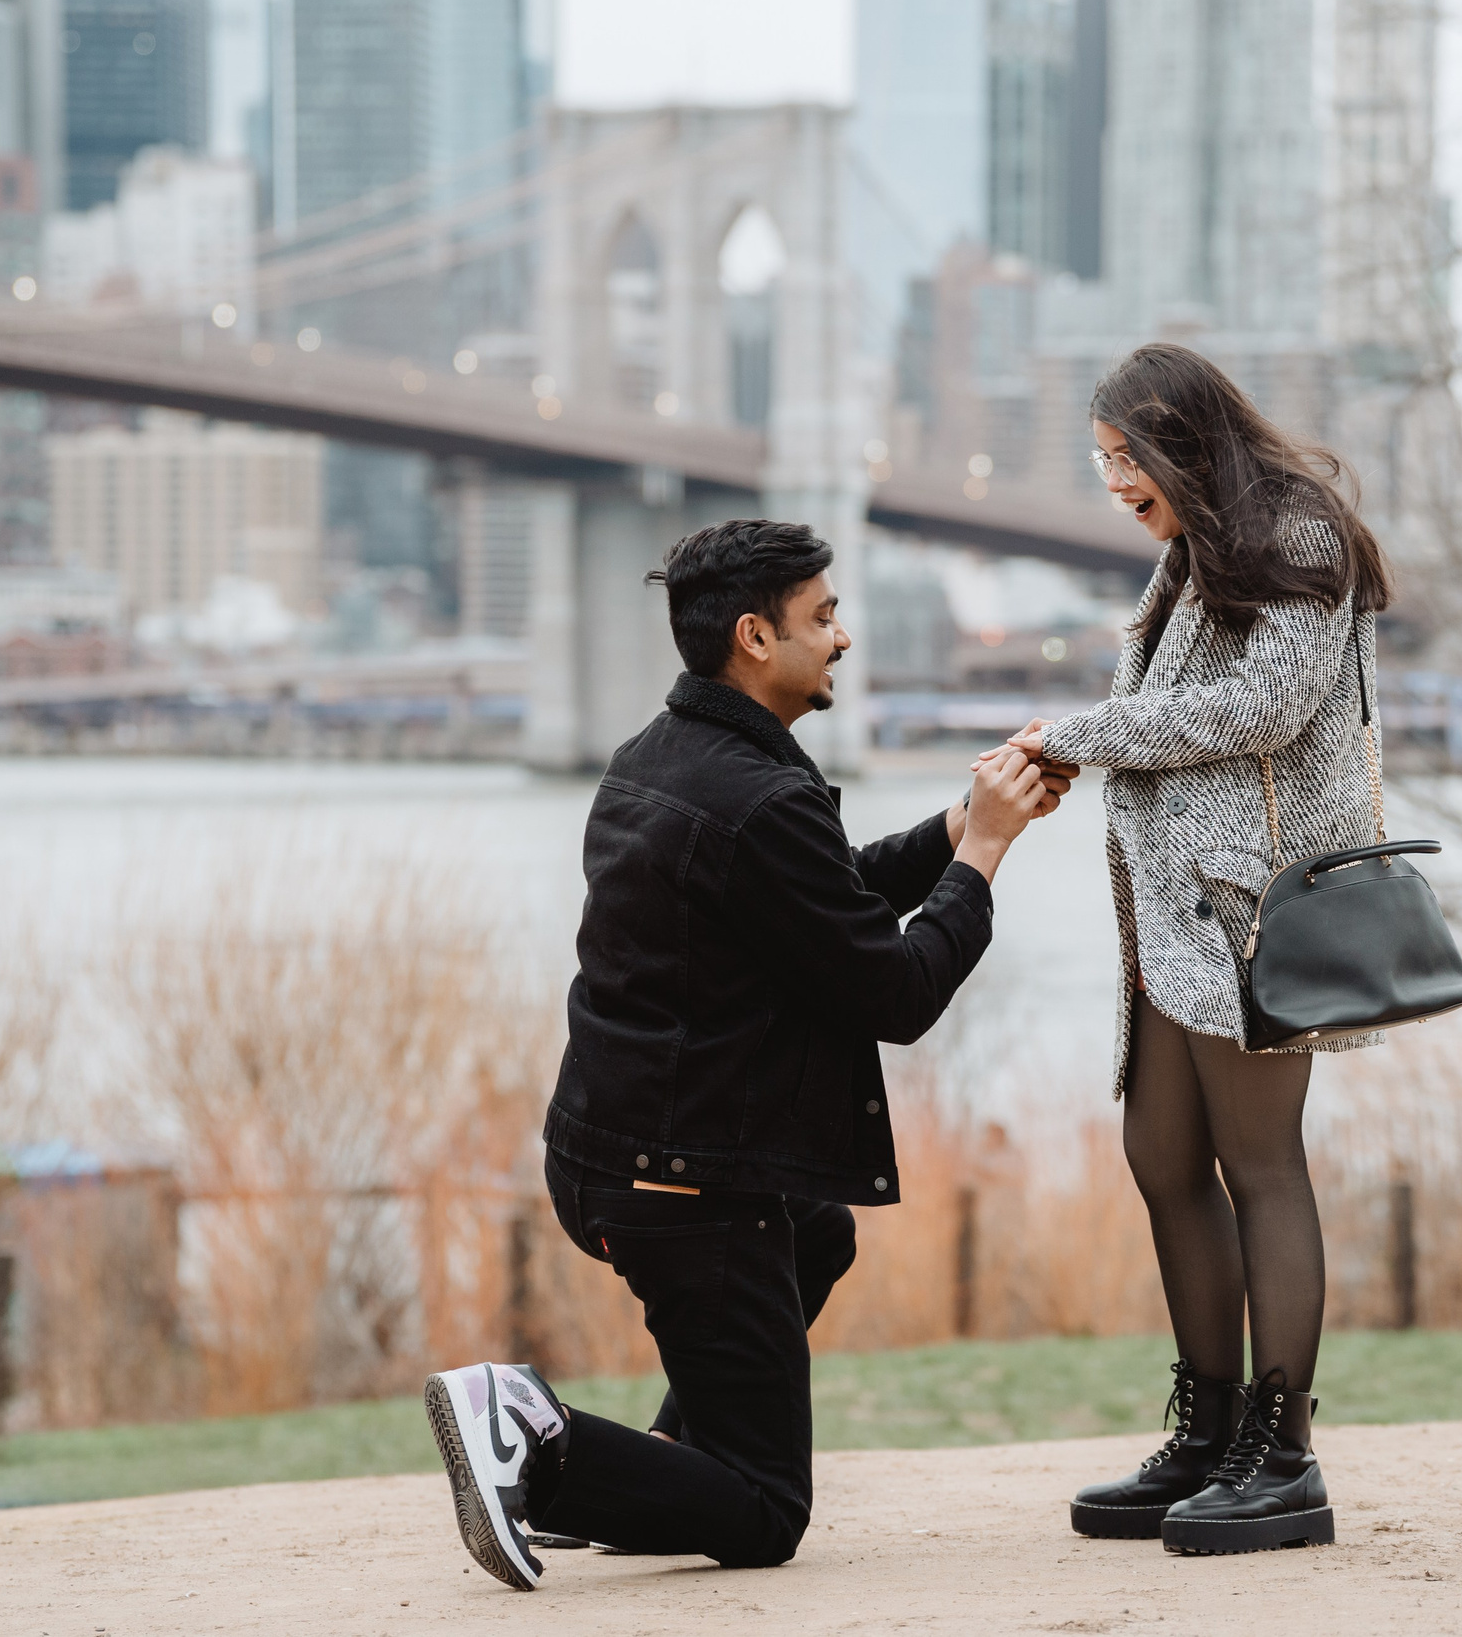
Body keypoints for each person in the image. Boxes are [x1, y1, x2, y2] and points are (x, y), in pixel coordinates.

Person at [422, 517, 1062, 1591]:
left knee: (815, 1237)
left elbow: (822, 893)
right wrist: (988, 855)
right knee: (765, 1515)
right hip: (686, 1186)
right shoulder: (758, 796)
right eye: (824, 617)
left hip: (608, 1154)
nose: (843, 638)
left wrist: (959, 822)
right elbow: (895, 993)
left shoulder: (663, 759)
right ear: (757, 638)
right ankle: (531, 1435)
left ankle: (656, 1470)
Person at [989, 343, 1392, 1556]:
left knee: (1260, 1164)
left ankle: (1285, 1457)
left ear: (1185, 441)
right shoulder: (1197, 550)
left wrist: (1082, 731)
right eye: (1104, 460)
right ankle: (1210, 1432)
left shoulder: (1301, 539)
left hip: (1257, 906)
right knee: (1162, 1153)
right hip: (1173, 905)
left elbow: (1259, 711)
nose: (1114, 481)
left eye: (1126, 457)